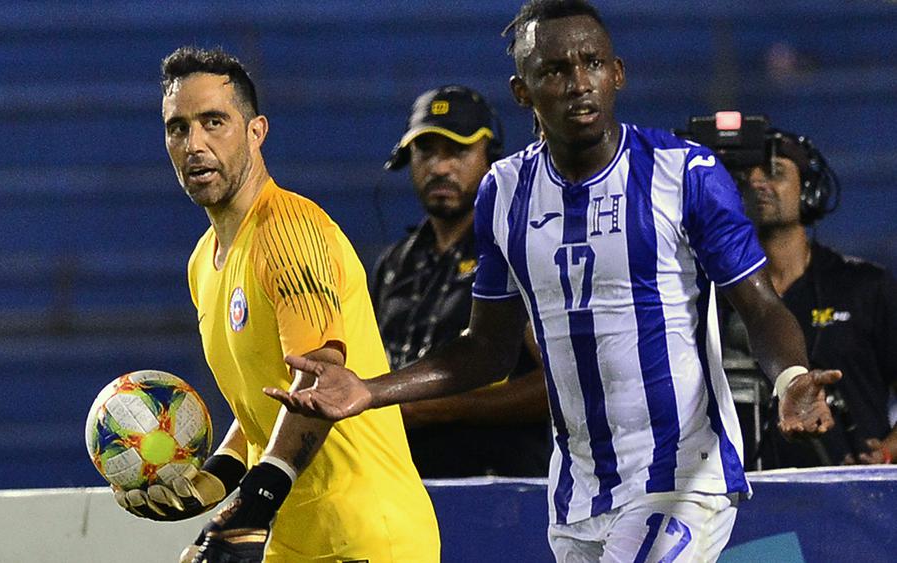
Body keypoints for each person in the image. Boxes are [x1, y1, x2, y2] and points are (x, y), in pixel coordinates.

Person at [266, 2, 842, 561]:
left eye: (593, 63)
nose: (579, 83)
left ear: (617, 74)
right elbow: (487, 349)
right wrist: (372, 390)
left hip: (680, 477)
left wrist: (790, 377)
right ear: (523, 91)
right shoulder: (504, 192)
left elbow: (760, 305)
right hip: (577, 495)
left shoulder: (684, 172)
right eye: (556, 69)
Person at [113, 46, 439, 563]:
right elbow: (267, 401)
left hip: (366, 532)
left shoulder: (289, 231)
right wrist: (214, 480)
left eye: (213, 122)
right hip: (294, 537)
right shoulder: (202, 262)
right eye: (178, 128)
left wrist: (253, 504)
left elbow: (319, 382)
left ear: (256, 131)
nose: (194, 144)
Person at [373, 85, 551, 477]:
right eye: (426, 151)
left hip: (500, 491)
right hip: (404, 488)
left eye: (457, 151)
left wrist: (442, 407)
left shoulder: (513, 249)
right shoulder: (394, 263)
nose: (440, 167)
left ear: (490, 158)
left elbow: (559, 384)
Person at [727, 129, 897, 468]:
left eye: (774, 171)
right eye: (745, 177)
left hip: (845, 493)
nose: (757, 182)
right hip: (742, 492)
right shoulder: (712, 293)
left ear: (809, 189)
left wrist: (886, 453)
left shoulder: (864, 286)